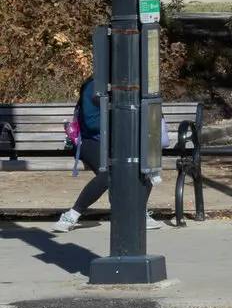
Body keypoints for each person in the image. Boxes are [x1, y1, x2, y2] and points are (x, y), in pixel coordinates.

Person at [51, 74, 163, 233]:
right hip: (92, 141)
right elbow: (91, 124)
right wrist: (121, 120)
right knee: (108, 174)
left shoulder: (129, 86)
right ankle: (72, 214)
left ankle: (139, 213)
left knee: (146, 166)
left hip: (119, 142)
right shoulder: (93, 86)